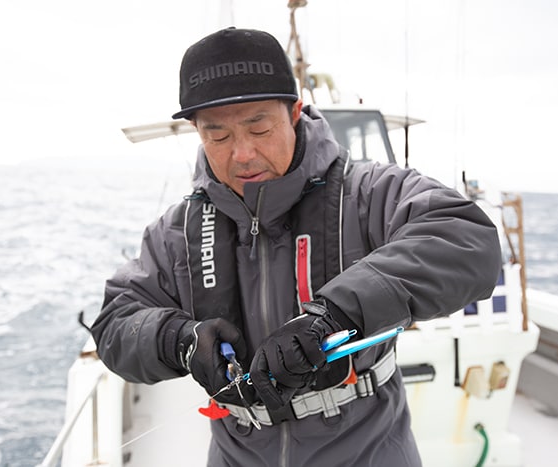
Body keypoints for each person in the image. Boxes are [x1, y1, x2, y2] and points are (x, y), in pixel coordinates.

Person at [91, 27, 502, 467]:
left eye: (259, 127)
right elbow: (116, 321)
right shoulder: (176, 232)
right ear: (196, 132)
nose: (243, 153)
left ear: (294, 113)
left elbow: (466, 237)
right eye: (219, 136)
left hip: (369, 451)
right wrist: (179, 340)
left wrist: (338, 315)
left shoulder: (368, 192)